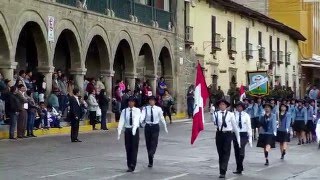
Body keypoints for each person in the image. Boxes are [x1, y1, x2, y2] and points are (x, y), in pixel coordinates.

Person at [212, 99, 240, 179]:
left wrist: (238, 139)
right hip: (219, 134)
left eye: (223, 104)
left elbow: (235, 127)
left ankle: (223, 171)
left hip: (227, 134)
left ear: (226, 106)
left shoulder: (231, 114)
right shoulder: (216, 114)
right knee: (220, 153)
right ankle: (221, 170)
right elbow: (214, 123)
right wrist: (212, 112)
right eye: (220, 105)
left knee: (226, 152)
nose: (222, 106)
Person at [141, 96, 168, 168]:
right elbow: (142, 116)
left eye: (152, 100)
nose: (151, 102)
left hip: (155, 126)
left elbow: (161, 118)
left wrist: (165, 126)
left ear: (155, 101)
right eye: (150, 100)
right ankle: (150, 161)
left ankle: (152, 153)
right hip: (148, 127)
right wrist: (140, 121)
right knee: (148, 144)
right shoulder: (145, 108)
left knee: (154, 141)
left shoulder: (158, 109)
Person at [117, 96, 142, 172]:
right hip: (127, 130)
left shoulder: (137, 110)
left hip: (134, 130)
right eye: (129, 101)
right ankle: (129, 164)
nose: (131, 103)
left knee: (134, 148)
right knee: (128, 148)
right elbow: (121, 121)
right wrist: (119, 131)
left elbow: (137, 120)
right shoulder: (124, 111)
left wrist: (134, 128)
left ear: (134, 103)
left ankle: (132, 164)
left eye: (132, 101)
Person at [232, 101, 252, 175]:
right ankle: (239, 168)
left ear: (243, 107)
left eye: (240, 106)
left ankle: (240, 165)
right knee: (237, 151)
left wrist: (250, 137)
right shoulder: (233, 115)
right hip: (235, 134)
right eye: (237, 106)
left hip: (243, 134)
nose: (239, 108)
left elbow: (249, 126)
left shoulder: (246, 115)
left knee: (241, 150)